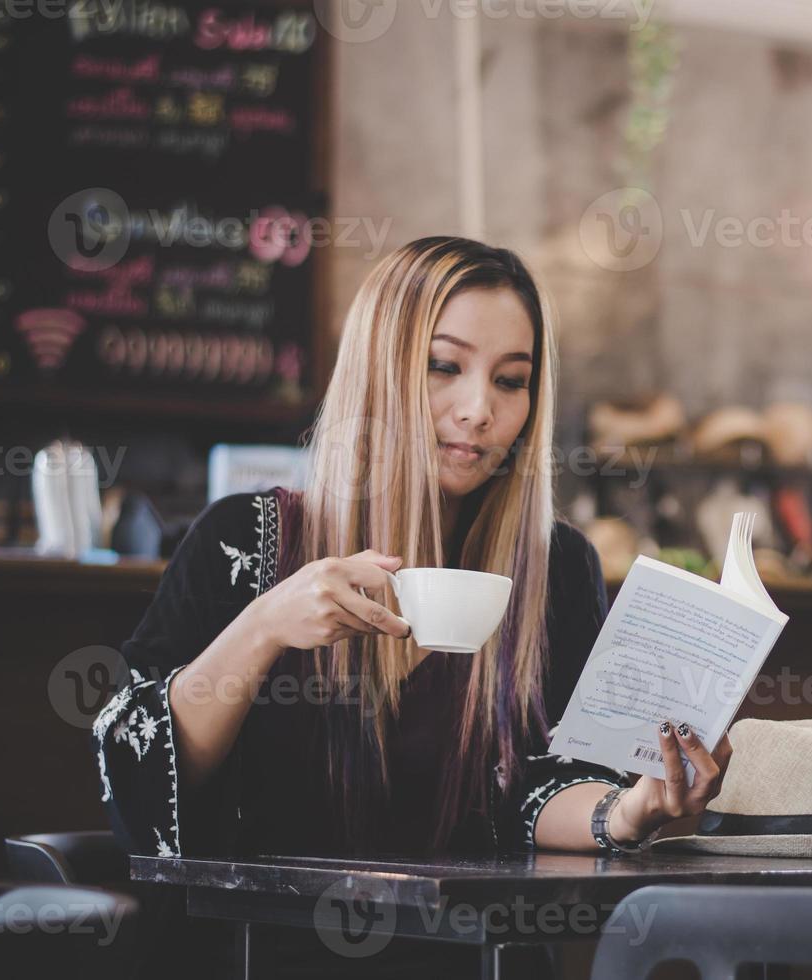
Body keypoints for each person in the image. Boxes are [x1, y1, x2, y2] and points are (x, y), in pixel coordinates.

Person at [91, 237, 730, 977]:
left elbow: (545, 786)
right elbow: (138, 777)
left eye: (512, 380)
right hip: (265, 953)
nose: (479, 410)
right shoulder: (246, 542)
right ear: (378, 370)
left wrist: (628, 812)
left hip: (477, 957)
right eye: (443, 366)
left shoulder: (555, 567)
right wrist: (264, 625)